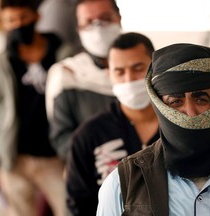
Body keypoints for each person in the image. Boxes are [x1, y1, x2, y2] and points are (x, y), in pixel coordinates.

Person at [96, 43, 210, 215]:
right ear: (160, 107)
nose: (190, 113)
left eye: (201, 99)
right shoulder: (124, 183)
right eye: (176, 102)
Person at [0, 0, 70, 215]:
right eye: (10, 20)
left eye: (23, 17)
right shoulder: (3, 63)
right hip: (15, 159)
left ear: (35, 17)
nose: (18, 24)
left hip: (54, 157)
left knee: (70, 208)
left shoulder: (62, 53)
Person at [66, 32, 159, 216]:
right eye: (119, 71)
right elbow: (78, 203)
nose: (129, 78)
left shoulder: (177, 126)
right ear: (109, 74)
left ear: (155, 68)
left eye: (138, 68)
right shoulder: (89, 135)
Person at [46, 0, 121, 162]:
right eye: (89, 22)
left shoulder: (143, 69)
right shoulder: (67, 75)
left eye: (105, 18)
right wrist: (98, 154)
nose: (98, 26)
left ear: (119, 19)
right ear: (79, 29)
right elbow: (61, 138)